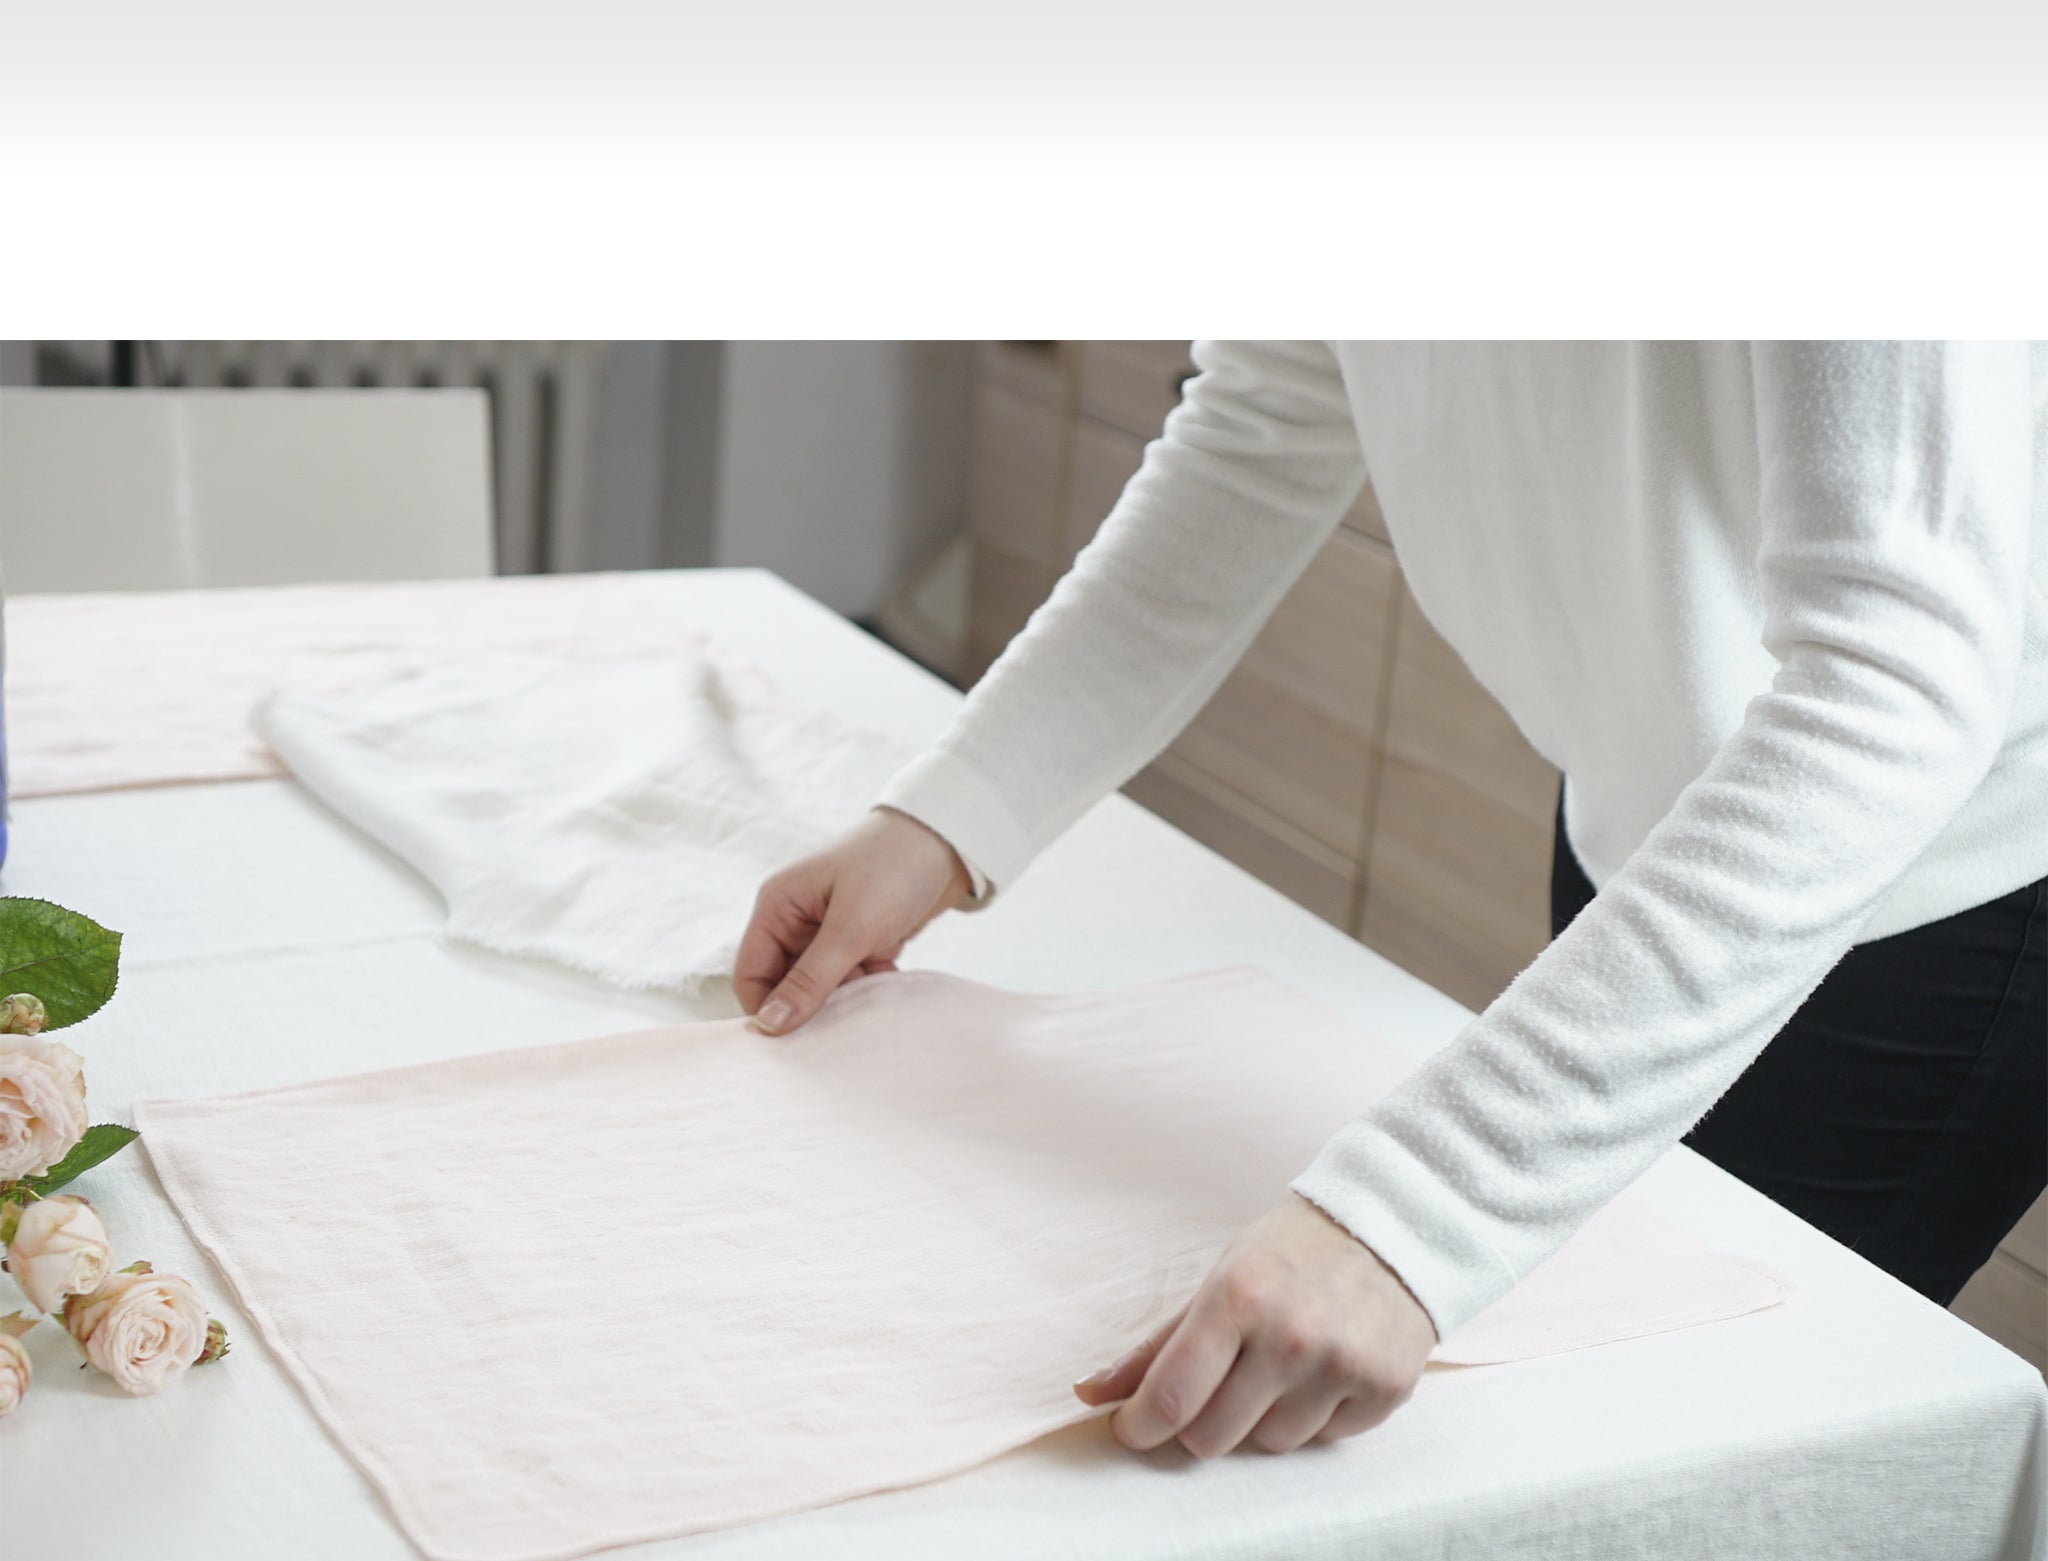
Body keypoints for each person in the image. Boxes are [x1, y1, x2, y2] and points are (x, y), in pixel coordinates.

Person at [733, 341, 2048, 1462]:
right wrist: (953, 813)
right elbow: (1267, 416)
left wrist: (1419, 1213)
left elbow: (1896, 678)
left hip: (1935, 873)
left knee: (1698, 1455)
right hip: (1673, 810)